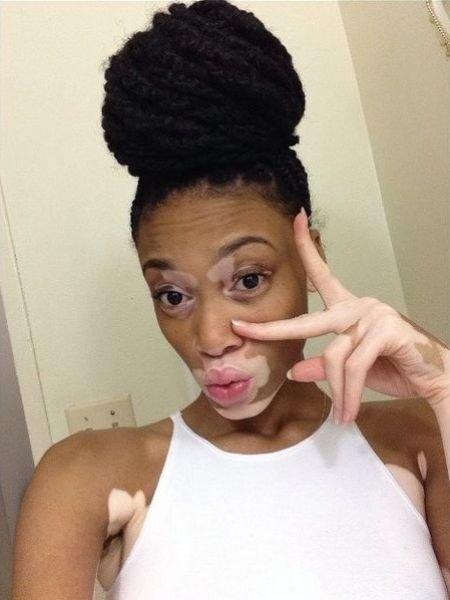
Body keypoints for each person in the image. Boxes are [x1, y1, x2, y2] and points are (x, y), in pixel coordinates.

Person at [12, 1, 449, 598]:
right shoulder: (87, 474)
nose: (211, 338)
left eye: (247, 279)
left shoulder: (417, 437)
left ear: (310, 260)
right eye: (172, 295)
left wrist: (442, 382)